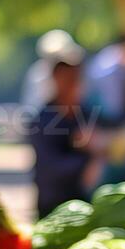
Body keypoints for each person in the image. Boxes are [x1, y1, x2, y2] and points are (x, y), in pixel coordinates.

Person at [28, 58, 95, 216]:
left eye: (75, 79)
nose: (72, 85)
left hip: (84, 206)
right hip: (52, 206)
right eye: (67, 79)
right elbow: (50, 168)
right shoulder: (43, 120)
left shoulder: (85, 115)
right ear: (55, 80)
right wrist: (88, 161)